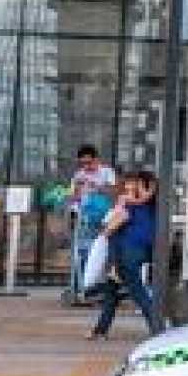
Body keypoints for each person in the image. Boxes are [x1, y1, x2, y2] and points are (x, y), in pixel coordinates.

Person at [91, 173, 165, 338]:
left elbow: (113, 224)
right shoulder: (145, 205)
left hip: (128, 251)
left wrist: (107, 230)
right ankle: (100, 330)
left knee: (138, 291)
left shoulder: (136, 205)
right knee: (112, 291)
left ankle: (158, 328)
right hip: (121, 251)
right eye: (128, 185)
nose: (130, 189)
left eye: (135, 185)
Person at [69, 145, 117, 288]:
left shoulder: (107, 172)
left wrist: (96, 185)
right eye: (83, 163)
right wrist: (76, 190)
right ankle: (82, 285)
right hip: (85, 218)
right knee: (83, 250)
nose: (86, 167)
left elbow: (114, 193)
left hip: (104, 218)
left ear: (96, 159)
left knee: (102, 251)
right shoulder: (78, 175)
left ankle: (100, 285)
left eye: (89, 163)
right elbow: (74, 198)